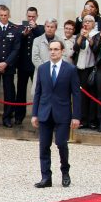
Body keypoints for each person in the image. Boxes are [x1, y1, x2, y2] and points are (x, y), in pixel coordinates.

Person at [32, 40, 82, 188]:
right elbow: (38, 93)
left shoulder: (70, 69)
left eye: (56, 49)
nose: (53, 52)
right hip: (45, 112)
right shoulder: (42, 69)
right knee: (44, 146)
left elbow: (76, 94)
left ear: (62, 51)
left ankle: (65, 172)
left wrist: (76, 116)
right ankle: (46, 177)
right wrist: (35, 114)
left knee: (61, 143)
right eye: (51, 49)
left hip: (62, 113)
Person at [14, 7, 44, 125]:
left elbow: (42, 39)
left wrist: (35, 28)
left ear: (36, 16)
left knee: (38, 91)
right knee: (20, 91)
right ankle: (19, 116)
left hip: (35, 65)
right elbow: (16, 43)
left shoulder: (40, 28)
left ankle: (38, 115)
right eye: (29, 16)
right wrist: (23, 35)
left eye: (33, 16)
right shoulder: (21, 28)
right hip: (22, 64)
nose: (31, 18)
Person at [73, 14, 99, 129]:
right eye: (85, 21)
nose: (87, 23)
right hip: (80, 68)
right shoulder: (80, 34)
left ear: (93, 24)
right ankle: (82, 119)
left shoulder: (97, 35)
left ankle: (92, 120)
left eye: (89, 21)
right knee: (82, 95)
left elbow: (96, 49)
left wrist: (88, 37)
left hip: (91, 68)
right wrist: (81, 37)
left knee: (92, 95)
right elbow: (76, 48)